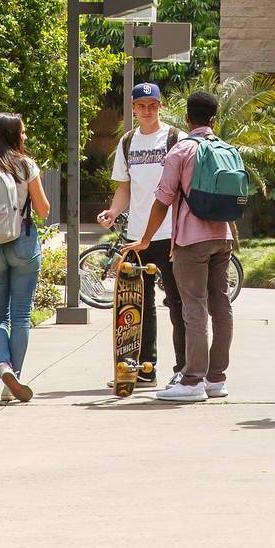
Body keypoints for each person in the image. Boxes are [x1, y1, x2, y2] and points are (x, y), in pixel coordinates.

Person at [133, 90, 235, 403]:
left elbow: (163, 199)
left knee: (194, 309)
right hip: (223, 237)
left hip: (191, 241)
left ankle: (192, 380)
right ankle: (216, 378)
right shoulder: (228, 149)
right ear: (214, 119)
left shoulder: (181, 150)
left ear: (188, 119)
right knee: (221, 306)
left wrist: (146, 238)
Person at [97, 81, 185, 388]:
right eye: (141, 106)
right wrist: (112, 212)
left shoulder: (176, 138)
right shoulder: (127, 142)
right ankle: (145, 368)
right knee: (138, 305)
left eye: (152, 105)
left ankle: (184, 369)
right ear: (133, 109)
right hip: (137, 237)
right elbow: (125, 187)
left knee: (177, 303)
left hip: (172, 235)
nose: (147, 110)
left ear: (160, 106)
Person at [0, 111, 50, 404]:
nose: (25, 137)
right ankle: (13, 377)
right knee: (20, 316)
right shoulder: (25, 165)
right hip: (23, 244)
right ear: (12, 136)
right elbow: (43, 210)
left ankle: (2, 364)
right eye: (23, 132)